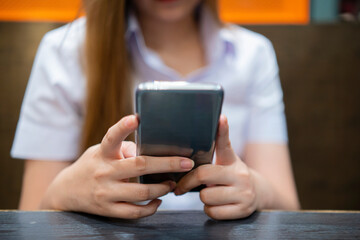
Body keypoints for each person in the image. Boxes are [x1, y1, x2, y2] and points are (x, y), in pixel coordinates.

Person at [11, 0, 300, 220]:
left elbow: (289, 208)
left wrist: (254, 191)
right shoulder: (64, 52)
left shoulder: (254, 54)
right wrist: (64, 191)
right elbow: (31, 215)